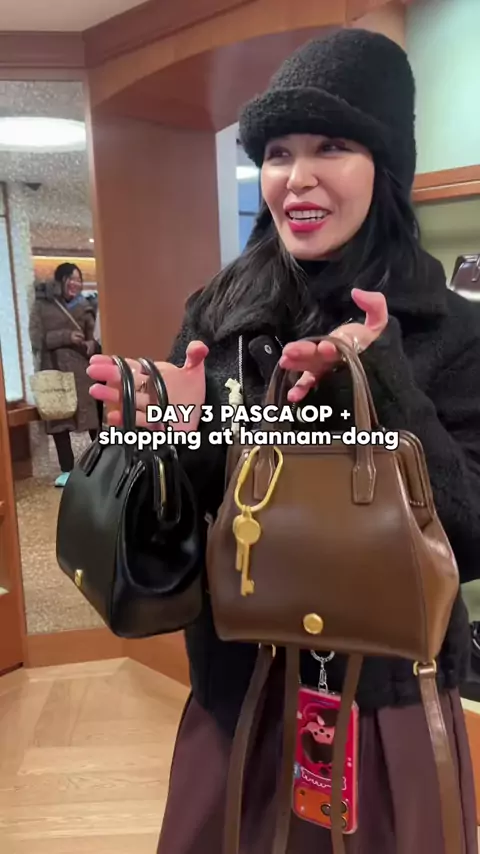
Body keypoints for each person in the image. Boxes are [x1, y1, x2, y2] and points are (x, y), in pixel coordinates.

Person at [87, 30, 480, 854]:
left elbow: (470, 535)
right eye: (276, 152)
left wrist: (382, 382)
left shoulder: (454, 330)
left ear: (386, 166)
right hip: (237, 693)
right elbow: (197, 523)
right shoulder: (221, 314)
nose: (296, 177)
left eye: (331, 146)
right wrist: (172, 434)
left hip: (388, 703)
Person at [29, 262, 100, 487]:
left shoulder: (86, 307)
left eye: (79, 280)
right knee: (60, 421)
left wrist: (92, 345)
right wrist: (65, 337)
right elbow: (36, 339)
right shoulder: (43, 306)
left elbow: (94, 337)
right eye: (72, 278)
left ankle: (101, 463)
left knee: (92, 420)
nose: (76, 284)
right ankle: (67, 469)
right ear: (60, 280)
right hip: (56, 369)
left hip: (82, 371)